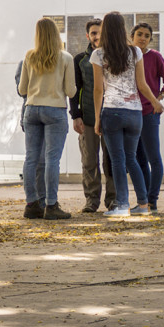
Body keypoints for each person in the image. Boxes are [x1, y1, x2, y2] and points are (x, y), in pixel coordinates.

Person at [91, 11, 164, 217]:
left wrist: (97, 119)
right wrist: (155, 102)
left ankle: (122, 205)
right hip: (135, 113)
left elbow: (98, 90)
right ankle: (143, 204)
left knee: (118, 160)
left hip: (112, 112)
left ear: (105, 29)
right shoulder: (135, 52)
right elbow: (142, 85)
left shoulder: (98, 54)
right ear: (123, 29)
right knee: (132, 158)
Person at [18, 18, 77, 221]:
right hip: (55, 110)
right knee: (52, 159)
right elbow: (70, 91)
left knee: (31, 158)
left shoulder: (29, 56)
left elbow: (22, 89)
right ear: (55, 34)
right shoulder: (66, 58)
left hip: (32, 109)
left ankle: (31, 204)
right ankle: (51, 205)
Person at [70, 18, 117, 213]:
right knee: (89, 161)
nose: (97, 36)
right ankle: (91, 201)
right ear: (88, 36)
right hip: (88, 118)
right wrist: (75, 115)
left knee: (111, 160)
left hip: (111, 116)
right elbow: (74, 90)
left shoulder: (116, 57)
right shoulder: (80, 59)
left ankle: (113, 200)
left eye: (101, 32)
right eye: (94, 33)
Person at [130, 22, 164, 213]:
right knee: (139, 159)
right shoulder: (128, 57)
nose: (143, 38)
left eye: (147, 35)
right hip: (131, 112)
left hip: (149, 113)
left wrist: (158, 98)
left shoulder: (155, 57)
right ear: (132, 36)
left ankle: (153, 200)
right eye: (139, 34)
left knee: (154, 159)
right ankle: (144, 201)